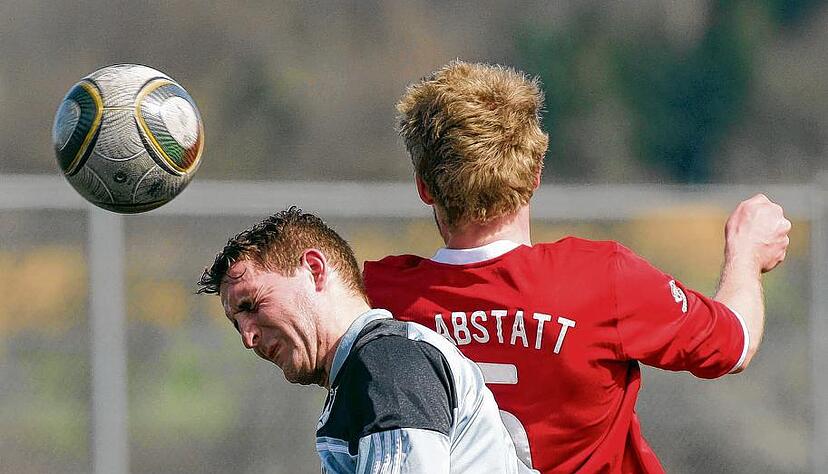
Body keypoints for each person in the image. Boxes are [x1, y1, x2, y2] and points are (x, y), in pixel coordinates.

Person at [363, 60, 791, 473]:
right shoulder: (603, 279)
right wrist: (746, 254)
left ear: (424, 187)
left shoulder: (375, 304)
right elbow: (734, 342)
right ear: (535, 173)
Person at [197, 207, 529, 474]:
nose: (247, 336)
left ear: (314, 269)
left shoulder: (387, 364)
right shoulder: (363, 370)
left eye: (251, 305)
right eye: (236, 323)